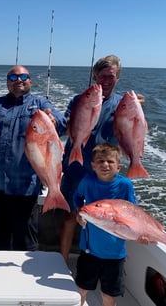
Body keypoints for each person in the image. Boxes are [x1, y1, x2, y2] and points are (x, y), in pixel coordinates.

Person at [59, 54, 145, 262]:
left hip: (105, 171)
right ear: (95, 77)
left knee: (106, 218)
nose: (106, 81)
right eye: (102, 76)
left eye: (111, 77)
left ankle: (98, 261)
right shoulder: (79, 100)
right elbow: (65, 128)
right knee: (71, 215)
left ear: (118, 78)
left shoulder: (122, 104)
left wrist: (137, 108)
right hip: (76, 167)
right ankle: (62, 260)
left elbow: (133, 131)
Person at [0, 65, 67, 251]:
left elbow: (61, 123)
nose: (18, 80)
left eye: (23, 76)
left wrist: (54, 121)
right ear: (7, 83)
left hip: (24, 189)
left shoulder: (41, 104)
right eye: (13, 77)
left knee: (26, 245)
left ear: (30, 81)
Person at [74, 142, 148, 306]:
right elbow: (77, 198)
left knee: (109, 295)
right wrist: (79, 214)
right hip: (89, 250)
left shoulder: (125, 185)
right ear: (93, 165)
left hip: (115, 254)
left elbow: (133, 212)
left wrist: (140, 235)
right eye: (100, 161)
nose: (105, 165)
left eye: (110, 161)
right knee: (81, 288)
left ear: (119, 167)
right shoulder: (87, 181)